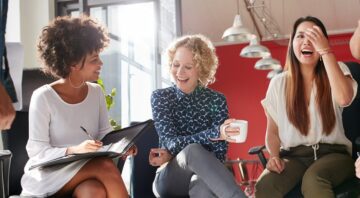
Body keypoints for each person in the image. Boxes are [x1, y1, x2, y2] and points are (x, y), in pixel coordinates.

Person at [20, 15, 135, 197]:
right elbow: (37, 153)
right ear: (73, 63)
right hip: (48, 175)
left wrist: (121, 146)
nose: (101, 63)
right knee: (104, 166)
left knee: (93, 192)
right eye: (94, 59)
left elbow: (105, 136)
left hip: (86, 171)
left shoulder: (96, 92)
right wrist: (74, 150)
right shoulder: (43, 97)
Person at [255, 16, 358, 198]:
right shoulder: (278, 84)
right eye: (300, 36)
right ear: (292, 43)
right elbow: (272, 131)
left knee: (314, 180)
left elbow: (344, 98)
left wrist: (326, 51)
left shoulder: (338, 70)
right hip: (294, 157)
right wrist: (273, 156)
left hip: (334, 155)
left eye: (313, 36)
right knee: (265, 185)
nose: (306, 41)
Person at [148, 34, 246, 198]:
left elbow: (219, 154)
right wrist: (216, 133)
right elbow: (172, 144)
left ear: (201, 68)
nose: (179, 72)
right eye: (176, 64)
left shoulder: (217, 99)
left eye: (188, 67)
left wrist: (176, 151)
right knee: (193, 150)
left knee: (201, 187)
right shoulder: (160, 97)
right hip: (169, 179)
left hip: (202, 177)